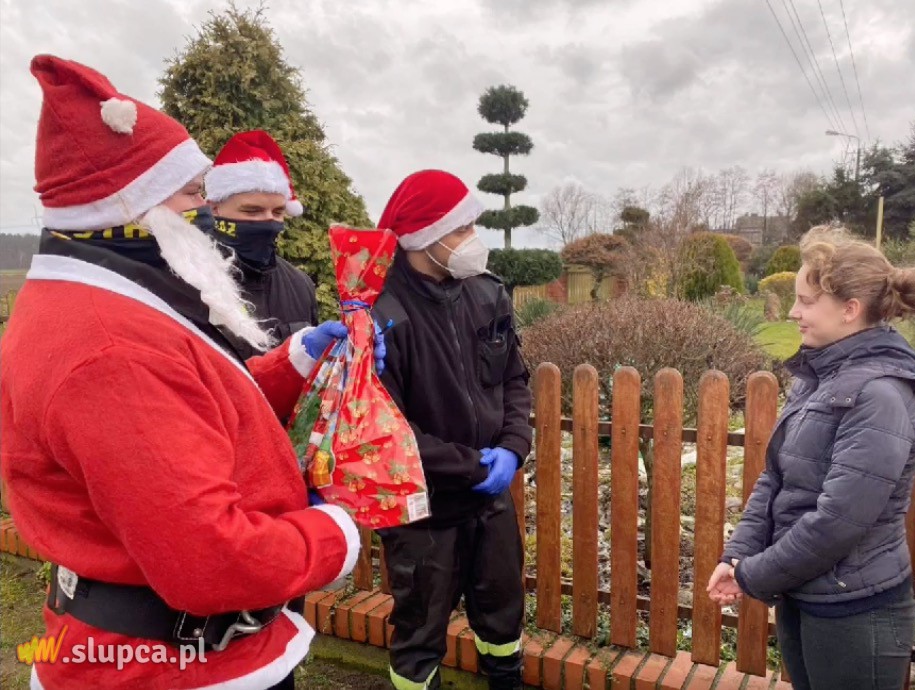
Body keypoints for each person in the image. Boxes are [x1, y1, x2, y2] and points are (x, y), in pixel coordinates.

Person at [0, 55, 378, 690]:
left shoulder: (109, 303)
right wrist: (335, 535)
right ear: (131, 206)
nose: (205, 211)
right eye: (191, 194)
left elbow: (189, 414)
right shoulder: (112, 352)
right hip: (175, 669)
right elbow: (209, 560)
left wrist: (297, 358)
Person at [708, 227, 915, 690]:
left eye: (805, 300)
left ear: (849, 309)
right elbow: (775, 480)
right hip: (804, 596)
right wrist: (739, 554)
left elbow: (838, 522)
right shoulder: (820, 378)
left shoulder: (879, 395)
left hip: (856, 611)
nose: (793, 312)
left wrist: (752, 575)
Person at [373, 170, 532, 690]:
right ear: (424, 236)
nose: (472, 242)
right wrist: (470, 467)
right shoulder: (381, 316)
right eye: (461, 229)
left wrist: (511, 449)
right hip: (425, 512)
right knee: (419, 634)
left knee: (503, 619)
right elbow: (387, 429)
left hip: (491, 501)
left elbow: (513, 379)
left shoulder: (487, 295)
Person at [203, 129, 318, 359]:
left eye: (278, 212)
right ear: (214, 208)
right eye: (252, 211)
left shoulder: (300, 285)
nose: (268, 221)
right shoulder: (189, 280)